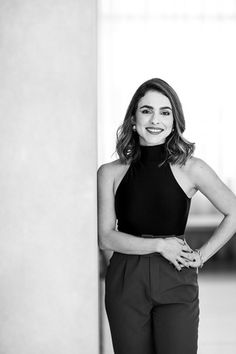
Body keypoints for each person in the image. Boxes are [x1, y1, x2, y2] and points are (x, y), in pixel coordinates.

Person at [97, 78, 236, 354]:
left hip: (176, 274)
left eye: (165, 111)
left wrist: (202, 256)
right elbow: (105, 237)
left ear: (174, 121)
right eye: (146, 110)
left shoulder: (192, 169)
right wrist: (160, 245)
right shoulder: (109, 173)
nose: (155, 119)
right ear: (133, 119)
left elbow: (234, 211)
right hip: (126, 278)